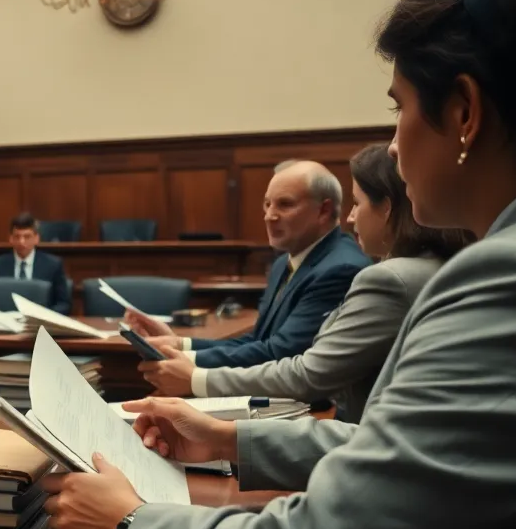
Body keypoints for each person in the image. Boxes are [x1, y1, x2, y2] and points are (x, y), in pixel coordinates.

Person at [43, 0, 516, 529]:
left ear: (466, 113)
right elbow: (408, 456)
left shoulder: (512, 277)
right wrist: (226, 438)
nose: (395, 140)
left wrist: (133, 522)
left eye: (399, 105)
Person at [138, 142, 473, 421]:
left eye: (357, 203)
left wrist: (196, 378)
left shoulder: (367, 273)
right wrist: (182, 347)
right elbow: (264, 341)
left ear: (387, 208)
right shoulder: (286, 262)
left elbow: (304, 369)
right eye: (267, 204)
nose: (352, 216)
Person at [126, 161, 369, 369]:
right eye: (267, 204)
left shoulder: (339, 269)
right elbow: (258, 341)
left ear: (323, 210)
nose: (269, 216)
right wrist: (179, 343)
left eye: (284, 204)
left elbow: (281, 353)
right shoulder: (284, 263)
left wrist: (185, 359)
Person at [0, 212, 71, 314]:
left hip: (41, 325)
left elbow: (64, 304)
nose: (21, 242)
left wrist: (45, 316)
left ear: (36, 238)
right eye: (17, 236)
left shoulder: (53, 265)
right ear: (10, 238)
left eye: (27, 237)